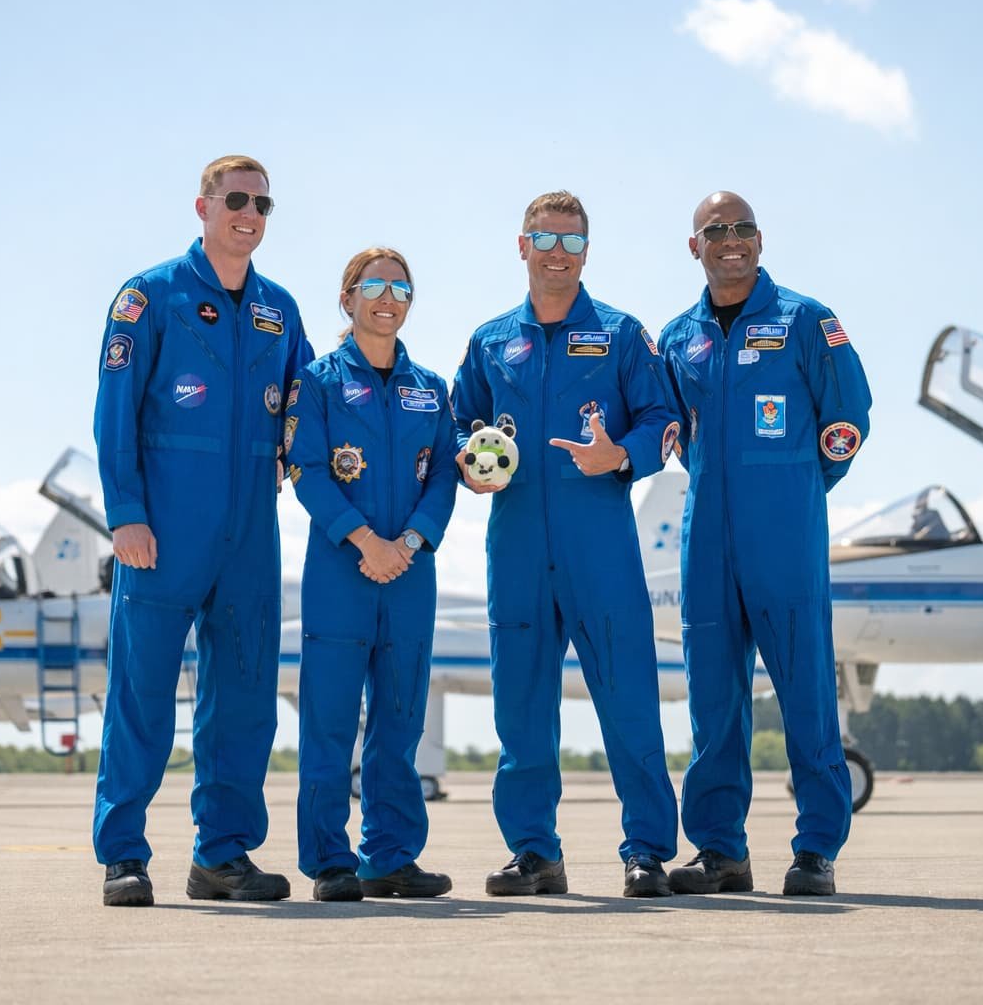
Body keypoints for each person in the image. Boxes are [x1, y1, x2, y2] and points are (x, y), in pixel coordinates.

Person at [92, 154, 314, 907]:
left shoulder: (279, 309)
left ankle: (222, 857)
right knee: (142, 698)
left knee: (245, 701)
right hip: (162, 531)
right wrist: (125, 512)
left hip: (251, 533)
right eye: (236, 200)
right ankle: (123, 854)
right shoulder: (148, 297)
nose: (249, 214)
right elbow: (114, 411)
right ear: (203, 206)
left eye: (263, 204)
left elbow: (305, 405)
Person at [450, 191, 681, 898]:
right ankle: (534, 852)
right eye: (544, 240)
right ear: (521, 246)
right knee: (520, 704)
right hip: (516, 545)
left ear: (588, 251)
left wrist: (619, 456)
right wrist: (469, 460)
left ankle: (646, 850)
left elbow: (664, 418)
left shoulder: (619, 335)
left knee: (629, 698)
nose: (558, 254)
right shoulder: (492, 342)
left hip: (600, 546)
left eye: (572, 242)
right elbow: (460, 423)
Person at [657, 191, 873, 897]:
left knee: (807, 694)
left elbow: (848, 420)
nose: (731, 240)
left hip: (785, 537)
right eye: (715, 230)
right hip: (705, 540)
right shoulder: (677, 336)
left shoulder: (807, 321)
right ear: (694, 246)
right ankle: (720, 850)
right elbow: (674, 436)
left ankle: (816, 849)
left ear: (760, 239)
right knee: (712, 703)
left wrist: (800, 489)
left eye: (743, 228)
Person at [285, 247, 458, 902]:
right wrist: (365, 541)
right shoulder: (319, 381)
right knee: (329, 720)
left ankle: (389, 856)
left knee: (400, 719)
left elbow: (444, 472)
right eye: (375, 285)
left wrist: (409, 541)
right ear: (348, 297)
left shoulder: (430, 388)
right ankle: (331, 861)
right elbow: (308, 468)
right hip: (340, 570)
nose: (389, 297)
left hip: (411, 572)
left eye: (401, 286)